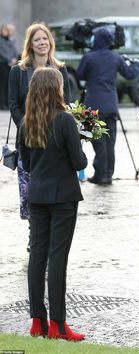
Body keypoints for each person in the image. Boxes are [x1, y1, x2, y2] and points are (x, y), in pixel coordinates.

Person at [19, 67, 87, 340]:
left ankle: (37, 320)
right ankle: (58, 325)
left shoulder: (27, 122)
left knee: (37, 257)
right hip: (63, 198)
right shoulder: (65, 121)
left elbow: (25, 162)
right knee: (57, 259)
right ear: (56, 89)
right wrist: (82, 141)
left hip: (37, 196)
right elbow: (78, 162)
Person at [9, 22, 70, 251]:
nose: (42, 43)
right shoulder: (19, 71)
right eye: (37, 39)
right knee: (30, 190)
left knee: (54, 189)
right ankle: (34, 234)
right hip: (28, 140)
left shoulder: (60, 69)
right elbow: (13, 104)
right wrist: (28, 126)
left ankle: (51, 233)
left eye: (45, 39)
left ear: (50, 42)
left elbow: (67, 104)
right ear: (30, 44)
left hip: (55, 142)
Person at [76, 27, 139, 185]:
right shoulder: (116, 57)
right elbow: (130, 74)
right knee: (110, 141)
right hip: (111, 106)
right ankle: (108, 174)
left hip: (91, 106)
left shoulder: (89, 57)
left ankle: (100, 174)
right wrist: (137, 64)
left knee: (97, 141)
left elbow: (80, 75)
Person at [0, 24, 18, 109]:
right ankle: (2, 103)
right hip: (3, 65)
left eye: (7, 31)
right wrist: (9, 59)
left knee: (8, 84)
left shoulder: (10, 41)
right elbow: (1, 52)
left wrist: (14, 59)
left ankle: (7, 103)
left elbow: (14, 51)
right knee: (3, 85)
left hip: (10, 65)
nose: (6, 32)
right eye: (4, 30)